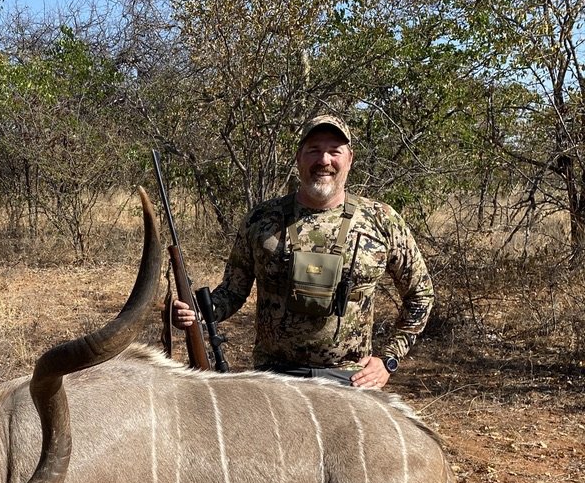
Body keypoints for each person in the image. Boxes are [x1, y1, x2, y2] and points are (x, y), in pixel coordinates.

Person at [172, 114, 434, 388]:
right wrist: (199, 313)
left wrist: (389, 359)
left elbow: (421, 295)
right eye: (314, 150)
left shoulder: (381, 220)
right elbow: (232, 293)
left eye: (334, 151)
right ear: (298, 157)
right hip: (274, 379)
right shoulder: (261, 219)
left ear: (350, 159)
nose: (324, 161)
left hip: (352, 380)